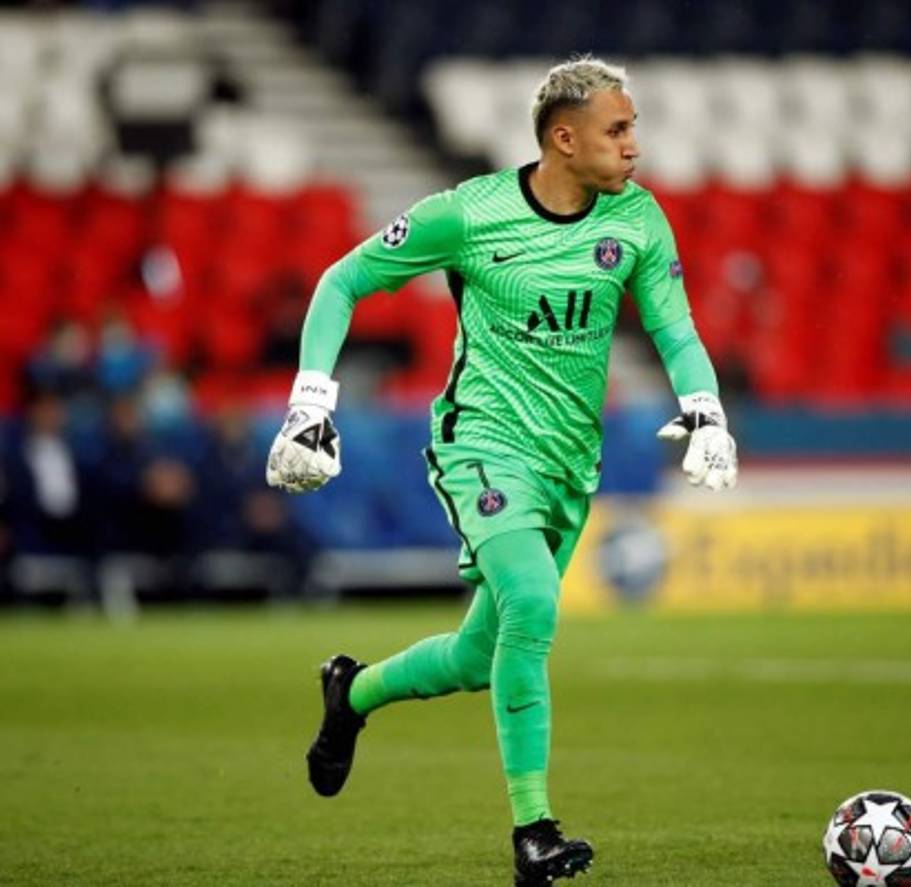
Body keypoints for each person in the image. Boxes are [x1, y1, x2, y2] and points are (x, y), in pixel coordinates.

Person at [266, 56, 738, 886]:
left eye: (632, 128)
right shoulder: (469, 213)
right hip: (480, 442)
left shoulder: (637, 219)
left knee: (477, 656)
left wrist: (706, 408)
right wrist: (311, 401)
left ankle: (353, 691)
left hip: (568, 463)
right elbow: (343, 281)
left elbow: (674, 327)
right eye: (617, 129)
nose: (634, 144)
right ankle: (534, 830)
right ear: (565, 138)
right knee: (532, 601)